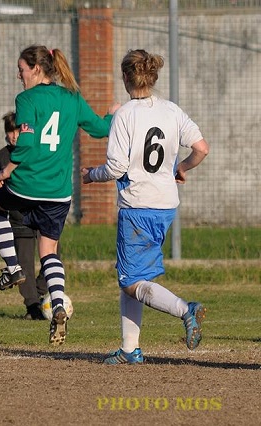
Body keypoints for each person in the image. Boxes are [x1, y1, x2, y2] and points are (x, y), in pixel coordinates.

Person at [81, 49, 209, 365]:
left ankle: (185, 310)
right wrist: (182, 167)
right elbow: (201, 148)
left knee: (130, 282)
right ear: (152, 77)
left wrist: (91, 175)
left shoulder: (125, 115)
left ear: (126, 77)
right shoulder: (171, 110)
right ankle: (129, 349)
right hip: (165, 207)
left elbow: (116, 167)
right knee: (132, 275)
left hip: (138, 206)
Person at [0, 44, 120, 345]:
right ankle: (58, 304)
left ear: (36, 69)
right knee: (49, 250)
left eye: (21, 69)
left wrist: (7, 170)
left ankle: (14, 267)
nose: (19, 75)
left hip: (27, 185)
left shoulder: (27, 99)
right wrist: (112, 116)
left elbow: (27, 141)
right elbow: (99, 129)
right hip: (58, 192)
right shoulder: (72, 97)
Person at [0, 111, 47, 320]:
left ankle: (39, 293)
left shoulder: (37, 153)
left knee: (52, 258)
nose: (14, 136)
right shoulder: (0, 158)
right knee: (24, 265)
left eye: (17, 131)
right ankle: (32, 306)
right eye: (10, 132)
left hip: (41, 216)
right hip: (18, 222)